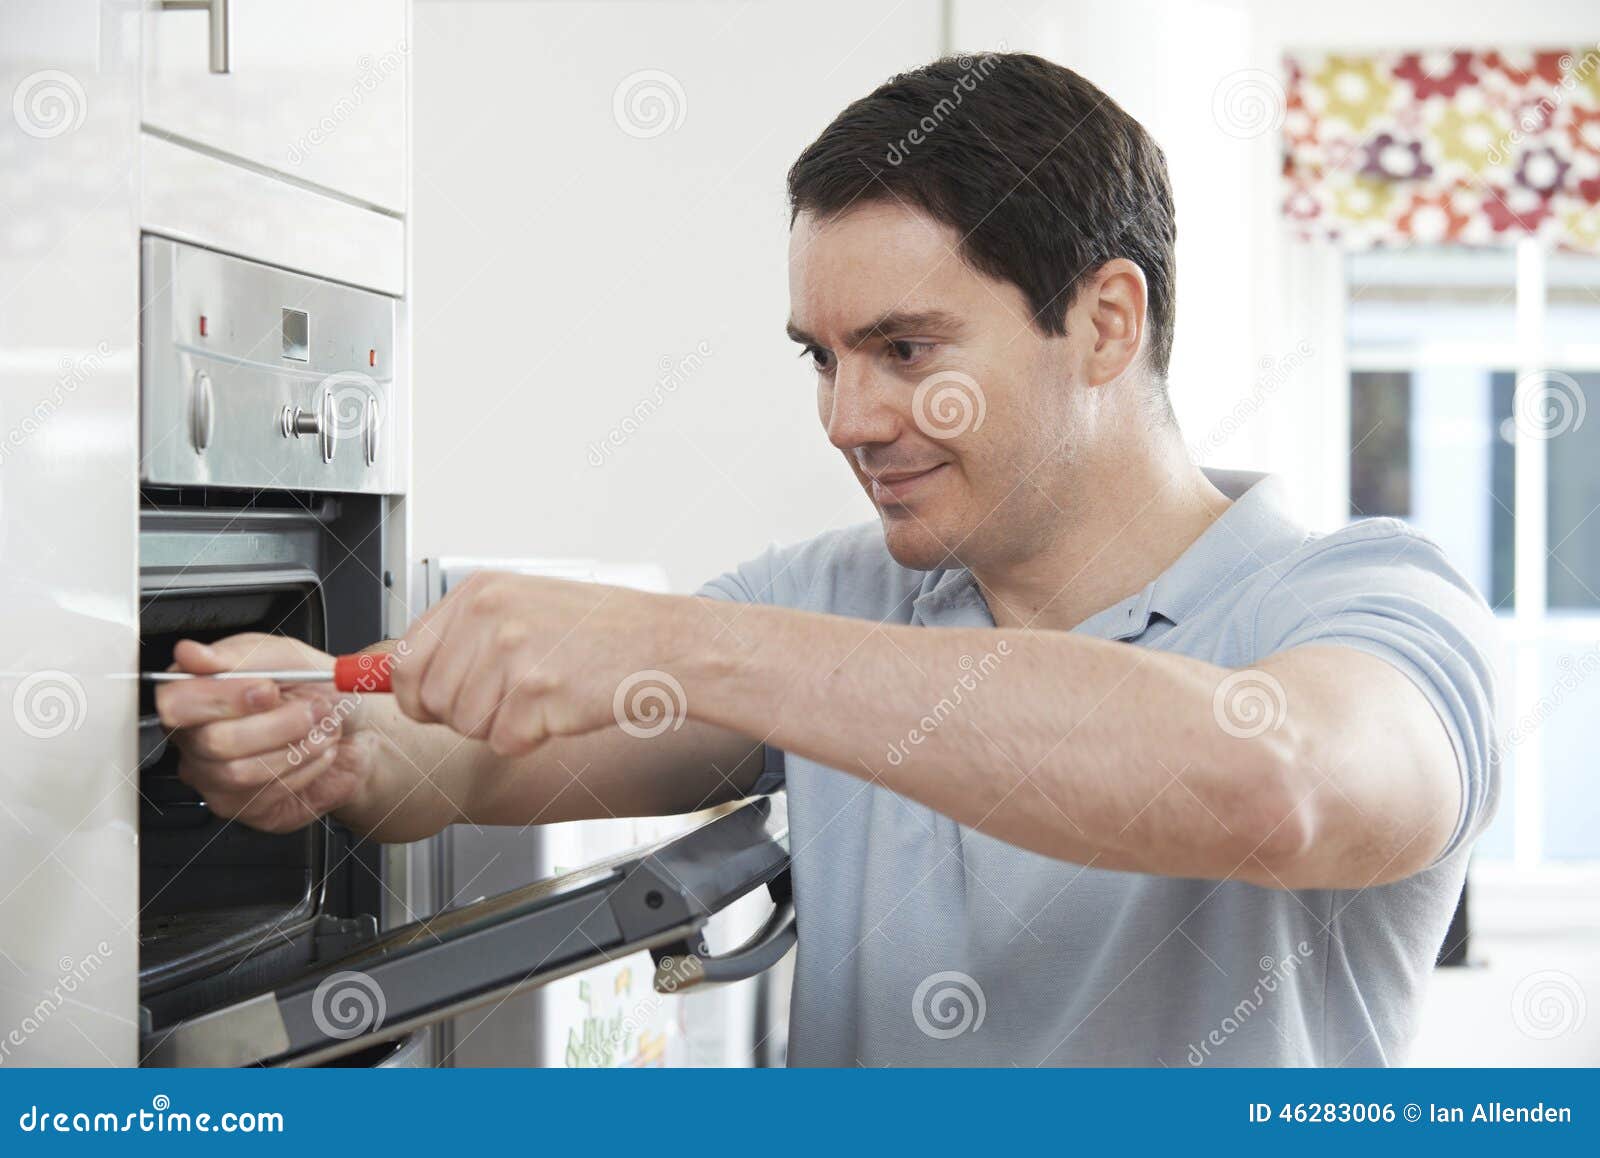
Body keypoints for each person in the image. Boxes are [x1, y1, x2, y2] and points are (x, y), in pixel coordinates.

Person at [156, 53, 1500, 1067]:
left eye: (907, 350)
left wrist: (683, 642)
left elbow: (1280, 787)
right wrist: (333, 739)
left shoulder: (1367, 599)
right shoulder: (835, 597)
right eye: (824, 356)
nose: (846, 418)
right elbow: (455, 764)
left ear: (1104, 322)